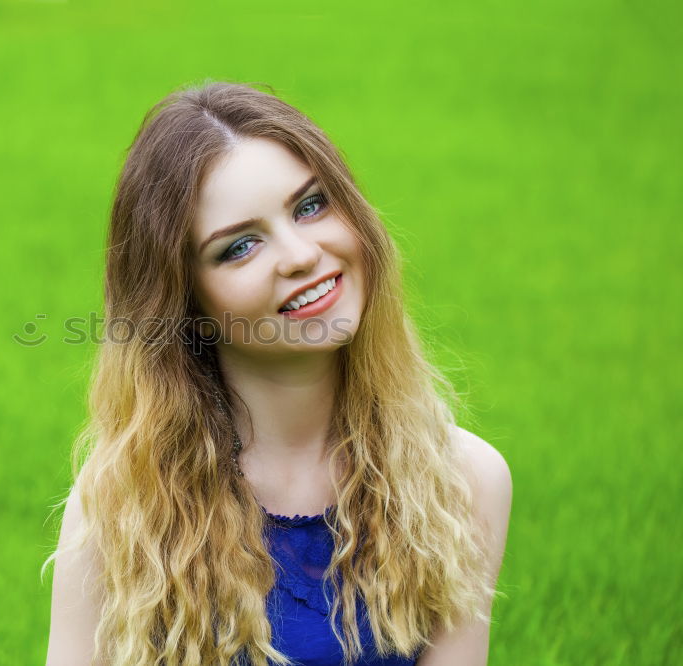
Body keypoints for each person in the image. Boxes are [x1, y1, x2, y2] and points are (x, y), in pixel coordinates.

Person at [43, 81, 512, 666]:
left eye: (311, 206)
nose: (300, 254)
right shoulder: (125, 504)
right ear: (183, 302)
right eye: (239, 246)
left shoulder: (462, 482)